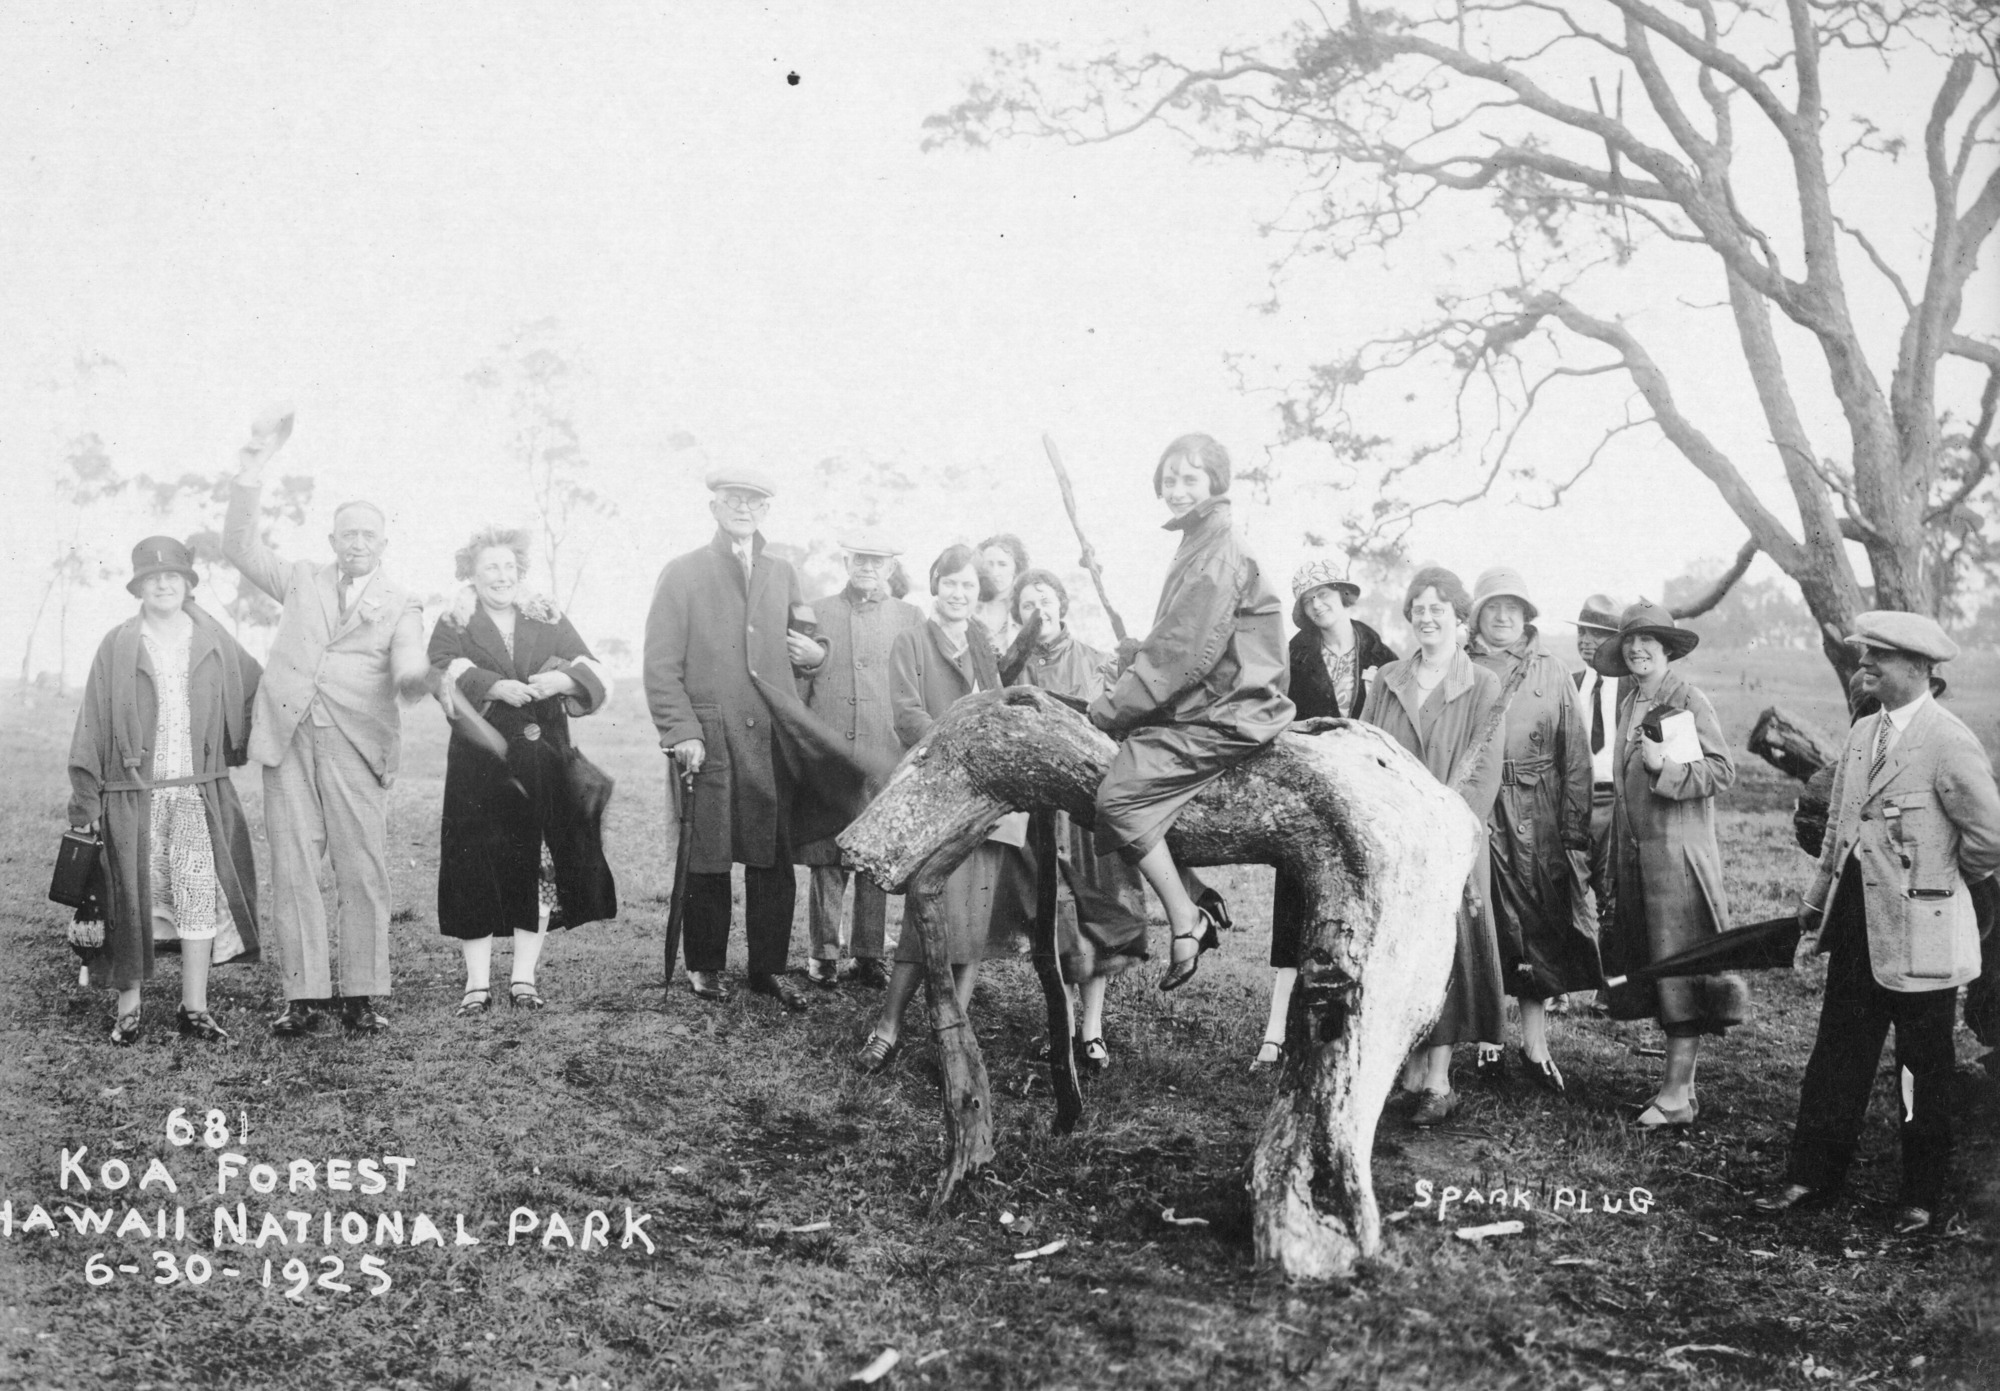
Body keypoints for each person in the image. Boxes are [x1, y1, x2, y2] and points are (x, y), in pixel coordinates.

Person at [1754, 612, 2000, 1235]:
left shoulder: (1949, 741)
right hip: (1857, 924)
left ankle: (1919, 1195)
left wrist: (1939, 883)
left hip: (1925, 931)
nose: (1863, 669)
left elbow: (1990, 837)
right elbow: (1838, 832)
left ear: (1918, 668)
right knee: (1838, 1051)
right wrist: (1814, 906)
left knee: (1922, 1065)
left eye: (1876, 661)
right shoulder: (1865, 733)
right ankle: (1812, 1175)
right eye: (1863, 659)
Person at [227, 421, 429, 1036]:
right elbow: (239, 547)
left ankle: (363, 996)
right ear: (332, 539)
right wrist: (252, 470)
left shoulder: (401, 602)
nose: (357, 543)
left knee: (361, 869)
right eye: (348, 534)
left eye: (369, 534)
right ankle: (305, 998)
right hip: (286, 740)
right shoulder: (301, 578)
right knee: (293, 867)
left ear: (384, 543)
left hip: (356, 745)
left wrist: (416, 674)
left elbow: (408, 657)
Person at [644, 467, 853, 1012]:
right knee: (707, 854)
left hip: (771, 738)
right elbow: (660, 665)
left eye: (755, 502)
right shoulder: (683, 572)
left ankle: (767, 968)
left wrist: (818, 653)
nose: (744, 508)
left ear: (766, 512)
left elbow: (806, 636)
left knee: (771, 857)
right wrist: (682, 731)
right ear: (714, 506)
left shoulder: (783, 571)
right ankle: (705, 965)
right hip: (709, 737)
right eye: (734, 499)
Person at [1090, 433, 1293, 992]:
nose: (1176, 490)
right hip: (1210, 698)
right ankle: (1197, 890)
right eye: (1170, 479)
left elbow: (1182, 656)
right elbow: (1182, 641)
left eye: (1190, 479)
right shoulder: (1202, 539)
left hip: (1232, 709)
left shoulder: (1218, 549)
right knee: (1116, 780)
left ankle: (1187, 917)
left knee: (1118, 795)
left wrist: (1109, 709)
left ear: (1215, 485)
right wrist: (1137, 657)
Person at [67, 537, 262, 1044]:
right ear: (138, 586)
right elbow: (90, 721)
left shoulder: (211, 640)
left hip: (196, 794)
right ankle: (128, 1008)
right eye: (152, 578)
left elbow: (261, 687)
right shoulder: (118, 643)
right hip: (134, 795)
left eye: (174, 575)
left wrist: (238, 746)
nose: (163, 583)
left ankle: (193, 1006)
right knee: (129, 899)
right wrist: (86, 799)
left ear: (188, 584)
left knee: (197, 896)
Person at [855, 545, 1033, 1071]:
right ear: (935, 586)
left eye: (969, 587)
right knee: (926, 913)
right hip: (939, 788)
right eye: (951, 584)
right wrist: (957, 747)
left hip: (987, 793)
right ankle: (887, 1026)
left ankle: (952, 1032)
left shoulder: (981, 640)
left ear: (980, 595)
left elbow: (998, 703)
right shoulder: (911, 640)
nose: (959, 595)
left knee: (973, 921)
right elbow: (907, 714)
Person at [429, 527, 617, 1014]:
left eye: (510, 567)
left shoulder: (545, 613)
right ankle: (476, 984)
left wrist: (564, 678)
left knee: (536, 862)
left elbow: (589, 664)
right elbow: (439, 667)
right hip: (480, 763)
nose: (502, 576)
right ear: (471, 572)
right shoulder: (456, 618)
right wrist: (493, 687)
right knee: (475, 861)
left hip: (543, 760)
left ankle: (523, 980)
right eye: (491, 566)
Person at [1363, 566, 1506, 1126]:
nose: (1426, 617)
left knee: (1447, 956)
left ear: (1459, 618)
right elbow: (1368, 748)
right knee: (1401, 955)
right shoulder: (1389, 680)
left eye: (1437, 608)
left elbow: (1483, 773)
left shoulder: (1482, 685)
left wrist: (1441, 830)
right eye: (1418, 608)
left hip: (1451, 843)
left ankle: (1440, 1081)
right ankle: (1408, 1071)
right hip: (1395, 843)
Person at [1594, 599, 1744, 1127]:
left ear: (1667, 648)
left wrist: (1668, 770)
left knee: (1682, 971)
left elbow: (1723, 771)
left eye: (1648, 641)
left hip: (1677, 861)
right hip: (1640, 857)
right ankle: (1681, 1085)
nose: (1637, 649)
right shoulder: (1631, 700)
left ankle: (1677, 1096)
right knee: (1659, 967)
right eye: (1630, 642)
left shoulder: (1687, 697)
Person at [1255, 559, 1398, 1069]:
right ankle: (1274, 1034)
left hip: (1367, 795)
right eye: (1308, 599)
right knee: (1294, 904)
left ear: (1342, 593)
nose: (1319, 604)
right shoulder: (1293, 655)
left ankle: (1360, 1030)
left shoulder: (1382, 652)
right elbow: (1275, 714)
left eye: (1325, 593)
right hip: (1313, 792)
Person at [1465, 568, 1602, 1094]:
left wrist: (1572, 833)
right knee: (1486, 919)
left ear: (1527, 616)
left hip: (1540, 814)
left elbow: (1576, 758)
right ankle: (1488, 1041)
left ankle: (1536, 1045)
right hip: (1481, 807)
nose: (1503, 617)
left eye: (1513, 608)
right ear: (1478, 615)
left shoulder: (1552, 670)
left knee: (1540, 922)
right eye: (1494, 607)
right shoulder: (1462, 666)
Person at [1012, 568, 1153, 1071]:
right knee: (1059, 921)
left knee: (1104, 915)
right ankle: (1063, 1024)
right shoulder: (1011, 669)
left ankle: (1091, 1030)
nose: (1038, 610)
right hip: (1037, 817)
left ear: (1062, 605)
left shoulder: (1097, 661)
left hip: (1091, 812)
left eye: (1045, 599)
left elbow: (1129, 721)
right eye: (1027, 603)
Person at [799, 534, 924, 990]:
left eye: (877, 559)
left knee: (874, 854)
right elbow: (799, 680)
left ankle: (869, 953)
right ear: (846, 560)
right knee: (827, 855)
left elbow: (918, 681)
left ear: (891, 567)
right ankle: (823, 953)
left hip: (884, 750)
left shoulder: (909, 617)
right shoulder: (817, 611)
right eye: (859, 557)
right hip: (829, 748)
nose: (868, 566)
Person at [1570, 595, 1623, 926]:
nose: (1587, 642)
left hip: (1616, 803)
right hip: (1575, 803)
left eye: (1598, 634)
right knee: (1570, 894)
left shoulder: (1633, 687)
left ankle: (1615, 971)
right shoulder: (1571, 684)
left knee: (1615, 894)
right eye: (1582, 633)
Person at [972, 534, 1029, 657]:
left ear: (1016, 568)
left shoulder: (1025, 607)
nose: (994, 572)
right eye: (989, 564)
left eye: (1002, 564)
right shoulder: (970, 607)